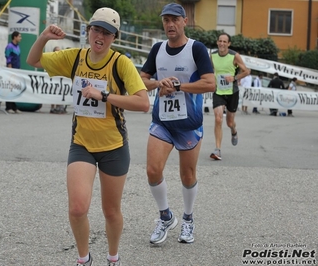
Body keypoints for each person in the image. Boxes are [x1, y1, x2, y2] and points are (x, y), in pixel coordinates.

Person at [26, 7, 149, 266]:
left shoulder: (120, 62)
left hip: (114, 146)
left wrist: (103, 96)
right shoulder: (75, 57)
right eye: (96, 29)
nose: (100, 36)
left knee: (111, 211)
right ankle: (84, 259)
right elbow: (34, 61)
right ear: (88, 31)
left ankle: (113, 258)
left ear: (114, 37)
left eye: (107, 32)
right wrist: (44, 37)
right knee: (77, 208)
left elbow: (142, 103)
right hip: (81, 144)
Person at [140, 3, 215, 245]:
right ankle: (165, 216)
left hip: (189, 123)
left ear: (185, 21)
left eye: (174, 20)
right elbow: (142, 79)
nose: (170, 25)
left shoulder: (197, 49)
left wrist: (179, 86)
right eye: (166, 20)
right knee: (152, 170)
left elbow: (210, 84)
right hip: (163, 120)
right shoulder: (158, 49)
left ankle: (188, 218)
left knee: (187, 175)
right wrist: (158, 84)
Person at [210, 33, 250, 160]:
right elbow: (210, 71)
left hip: (232, 92)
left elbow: (246, 71)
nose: (222, 43)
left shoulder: (234, 56)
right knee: (218, 118)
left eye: (224, 42)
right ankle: (217, 150)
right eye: (220, 41)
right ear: (217, 42)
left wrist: (234, 78)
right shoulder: (213, 55)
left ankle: (234, 131)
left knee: (230, 122)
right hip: (218, 92)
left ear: (229, 44)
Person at [5, 31, 22, 114]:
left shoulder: (18, 46)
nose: (20, 38)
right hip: (11, 68)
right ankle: (8, 107)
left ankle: (14, 106)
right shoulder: (9, 46)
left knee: (14, 88)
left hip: (17, 68)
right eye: (19, 36)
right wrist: (9, 66)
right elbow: (8, 56)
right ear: (15, 37)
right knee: (10, 88)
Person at [49, 46, 67, 114]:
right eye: (57, 51)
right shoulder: (51, 59)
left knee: (59, 91)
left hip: (59, 79)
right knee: (53, 92)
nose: (58, 52)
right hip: (53, 78)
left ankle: (58, 106)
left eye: (59, 51)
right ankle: (52, 107)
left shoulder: (61, 59)